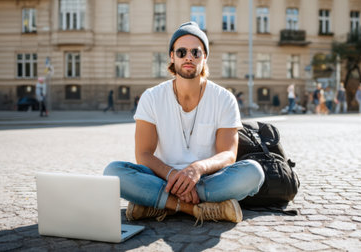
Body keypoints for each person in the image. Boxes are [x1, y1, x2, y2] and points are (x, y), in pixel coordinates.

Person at [104, 21, 264, 225]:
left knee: (253, 172)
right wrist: (173, 175)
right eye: (181, 52)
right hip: (163, 178)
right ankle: (195, 209)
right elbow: (143, 154)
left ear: (205, 57)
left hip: (207, 179)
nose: (189, 57)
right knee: (113, 172)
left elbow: (228, 154)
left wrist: (196, 169)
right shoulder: (151, 97)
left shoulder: (224, 98)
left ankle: (158, 203)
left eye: (196, 52)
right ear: (172, 56)